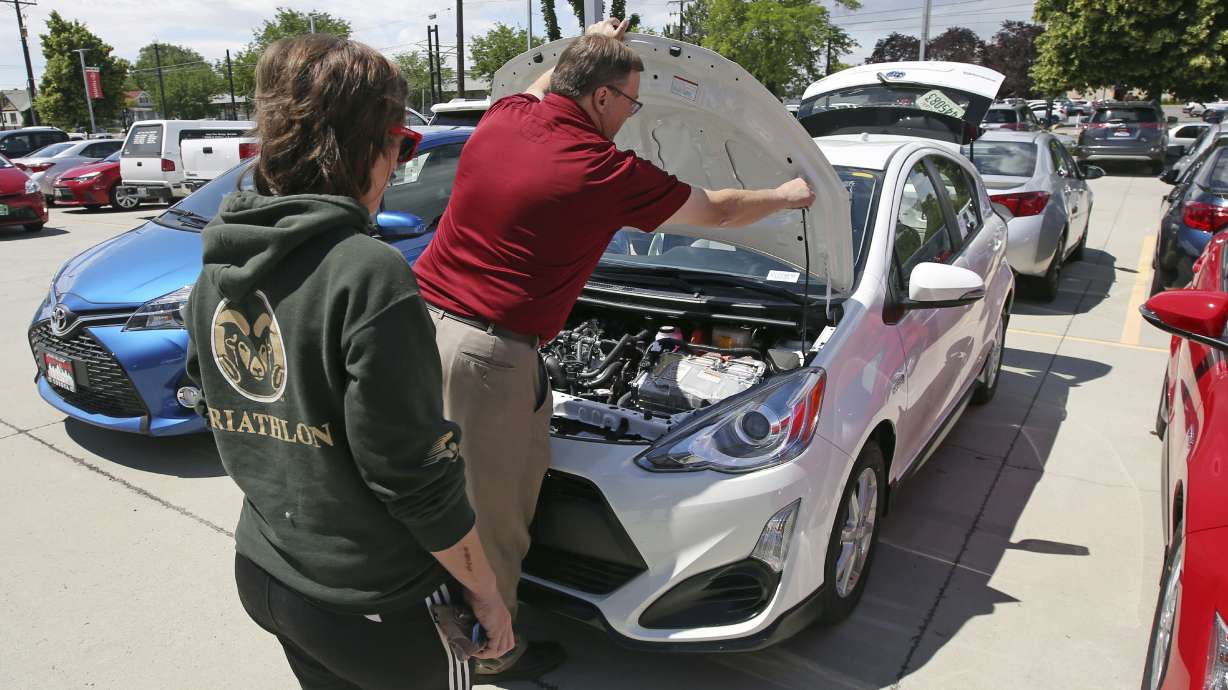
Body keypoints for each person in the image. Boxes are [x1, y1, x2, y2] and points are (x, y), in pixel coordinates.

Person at [411, 18, 816, 682]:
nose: (631, 116)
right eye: (631, 102)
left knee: (424, 483)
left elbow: (547, 85)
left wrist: (588, 38)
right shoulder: (598, 168)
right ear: (602, 98)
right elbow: (713, 211)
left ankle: (426, 606)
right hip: (486, 356)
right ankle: (494, 651)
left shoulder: (506, 118)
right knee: (495, 513)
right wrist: (789, 195)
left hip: (421, 326)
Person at [183, 34, 513, 690]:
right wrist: (487, 593)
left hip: (266, 572)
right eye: (403, 144)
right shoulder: (367, 272)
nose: (399, 167)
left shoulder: (219, 263)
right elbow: (414, 475)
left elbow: (212, 393)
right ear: (369, 145)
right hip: (375, 603)